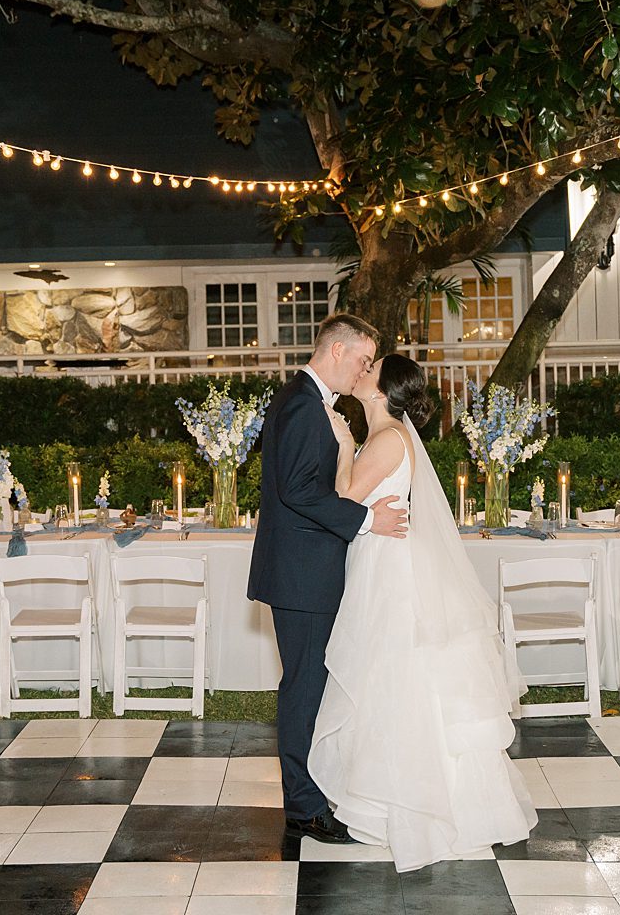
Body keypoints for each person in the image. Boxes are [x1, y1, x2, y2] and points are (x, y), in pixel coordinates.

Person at [308, 353, 536, 872]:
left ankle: (413, 809)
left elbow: (345, 495)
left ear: (384, 391)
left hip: (388, 571)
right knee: (394, 679)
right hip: (383, 560)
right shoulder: (389, 437)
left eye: (371, 370)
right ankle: (393, 801)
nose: (361, 371)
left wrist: (344, 446)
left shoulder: (386, 439)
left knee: (393, 678)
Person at [247, 314, 408, 844]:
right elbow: (297, 491)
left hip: (306, 570)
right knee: (303, 687)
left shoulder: (308, 402)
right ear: (336, 351)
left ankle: (310, 791)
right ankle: (304, 806)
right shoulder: (301, 405)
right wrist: (366, 520)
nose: (364, 370)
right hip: (301, 574)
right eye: (362, 360)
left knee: (310, 683)